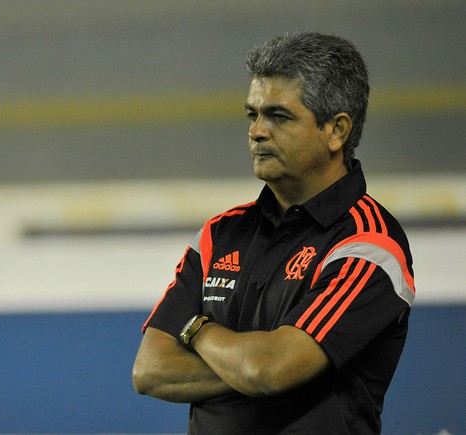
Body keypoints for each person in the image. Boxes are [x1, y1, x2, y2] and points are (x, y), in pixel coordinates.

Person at [132, 32, 415, 434]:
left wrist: (196, 329)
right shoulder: (219, 234)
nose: (257, 132)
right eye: (253, 115)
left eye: (279, 117)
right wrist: (254, 367)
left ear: (336, 131)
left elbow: (269, 369)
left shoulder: (370, 245)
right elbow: (150, 370)